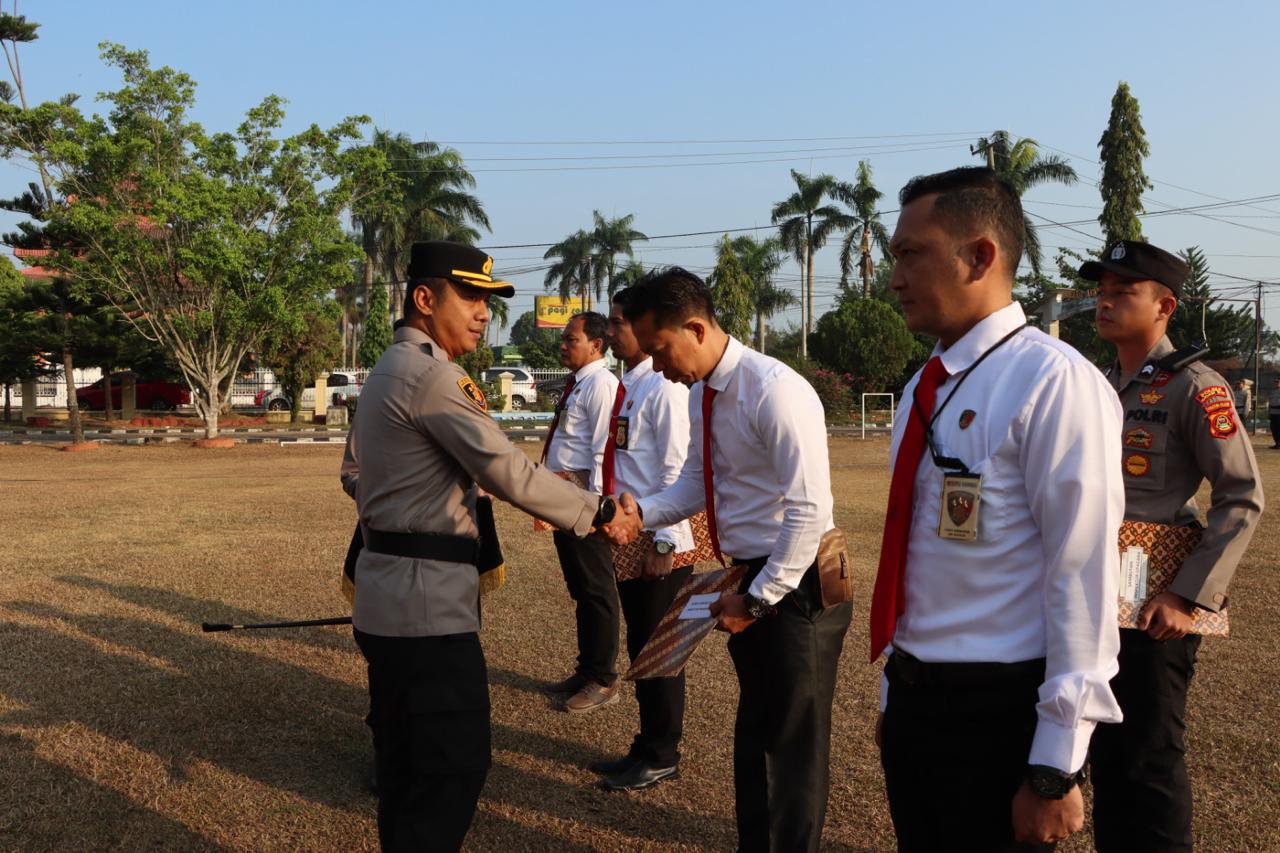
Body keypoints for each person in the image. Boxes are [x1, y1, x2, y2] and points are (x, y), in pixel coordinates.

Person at [340, 241, 626, 852]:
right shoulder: (434, 375)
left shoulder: (387, 370)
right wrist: (597, 512)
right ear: (424, 298)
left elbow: (356, 473)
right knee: (450, 770)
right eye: (469, 296)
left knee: (404, 770)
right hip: (426, 610)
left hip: (385, 593)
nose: (482, 312)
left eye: (486, 301)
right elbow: (507, 470)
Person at [870, 167, 1125, 851]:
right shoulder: (925, 385)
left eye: (910, 254)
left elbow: (1083, 579)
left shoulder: (1054, 383)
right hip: (917, 702)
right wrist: (897, 696)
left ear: (979, 255)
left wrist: (1055, 764)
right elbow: (922, 554)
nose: (893, 277)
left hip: (999, 714)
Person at [605, 267, 851, 852]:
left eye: (659, 349)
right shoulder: (704, 393)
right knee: (759, 732)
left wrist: (761, 599)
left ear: (695, 327)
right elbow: (698, 481)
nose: (657, 365)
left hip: (795, 583)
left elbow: (808, 508)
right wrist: (643, 513)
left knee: (790, 746)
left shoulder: (774, 390)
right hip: (752, 574)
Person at [1086, 239, 1264, 853]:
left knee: (1151, 754)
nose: (1104, 303)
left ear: (1165, 305)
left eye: (1122, 292)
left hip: (1155, 598)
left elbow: (1241, 495)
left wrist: (1188, 597)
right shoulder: (1093, 381)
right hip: (1091, 592)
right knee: (1101, 745)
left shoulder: (1196, 387)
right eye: (1102, 291)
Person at [590, 284, 696, 791]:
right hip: (632, 529)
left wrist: (664, 543)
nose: (611, 332)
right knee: (641, 646)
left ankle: (661, 752)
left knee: (660, 652)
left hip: (658, 537)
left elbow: (679, 471)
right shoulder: (634, 382)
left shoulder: (666, 387)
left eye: (618, 323)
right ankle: (646, 742)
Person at [540, 311, 624, 713]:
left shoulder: (602, 385)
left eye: (571, 339)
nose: (563, 344)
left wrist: (594, 509)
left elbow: (601, 451)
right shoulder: (579, 384)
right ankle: (586, 669)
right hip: (564, 500)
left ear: (596, 344)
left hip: (583, 505)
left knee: (597, 591)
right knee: (581, 590)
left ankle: (603, 679)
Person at [1269, 377, 1280, 448]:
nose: (1276, 383)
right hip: (1273, 412)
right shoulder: (1272, 392)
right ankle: (1277, 443)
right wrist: (1269, 413)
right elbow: (1269, 403)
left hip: (1279, 413)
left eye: (1278, 382)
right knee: (1273, 428)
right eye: (1275, 382)